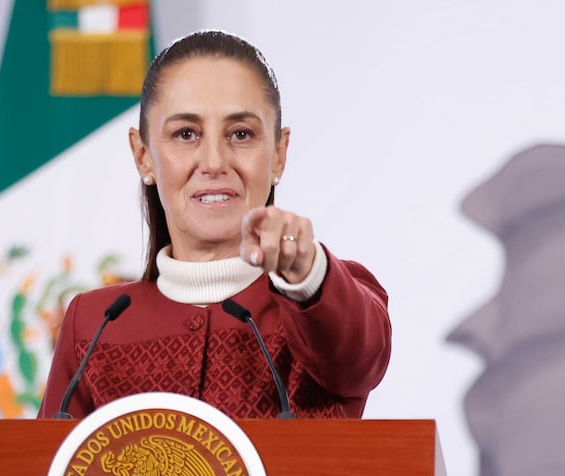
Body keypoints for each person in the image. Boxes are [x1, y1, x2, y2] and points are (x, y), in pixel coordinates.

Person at [36, 30, 391, 420]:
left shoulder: (324, 301)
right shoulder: (95, 322)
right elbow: (52, 475)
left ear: (278, 154)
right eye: (185, 134)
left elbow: (359, 359)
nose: (214, 161)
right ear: (143, 156)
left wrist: (308, 273)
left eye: (241, 134)